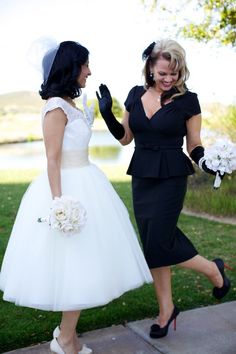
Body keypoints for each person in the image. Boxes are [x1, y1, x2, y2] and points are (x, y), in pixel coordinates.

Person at [0, 40, 152, 354]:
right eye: (85, 65)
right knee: (75, 266)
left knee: (84, 265)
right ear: (72, 67)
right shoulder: (55, 107)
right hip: (67, 190)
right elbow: (52, 158)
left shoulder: (71, 104)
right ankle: (65, 338)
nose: (90, 71)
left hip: (89, 182)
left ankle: (67, 335)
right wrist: (60, 204)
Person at [96, 39, 231, 339]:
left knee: (159, 240)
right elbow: (125, 138)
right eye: (163, 73)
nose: (169, 79)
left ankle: (212, 270)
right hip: (142, 174)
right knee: (154, 242)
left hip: (171, 174)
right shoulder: (134, 95)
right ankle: (166, 310)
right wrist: (107, 114)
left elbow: (194, 143)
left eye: (175, 74)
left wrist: (206, 162)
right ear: (150, 69)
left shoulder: (189, 101)